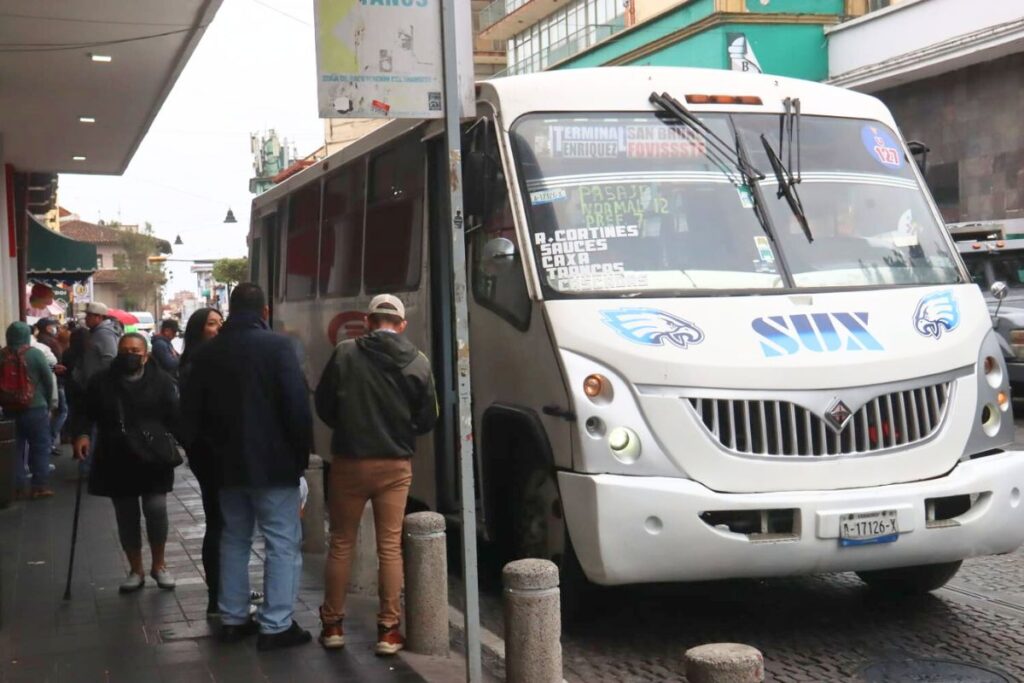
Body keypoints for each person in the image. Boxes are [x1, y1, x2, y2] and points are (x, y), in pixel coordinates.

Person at [181, 284, 313, 650]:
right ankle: (276, 624)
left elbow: (189, 415)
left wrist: (204, 462)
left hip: (225, 468)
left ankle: (234, 617)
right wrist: (300, 458)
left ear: (230, 308)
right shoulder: (279, 348)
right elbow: (297, 409)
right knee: (282, 542)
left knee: (234, 539)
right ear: (264, 311)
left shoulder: (207, 354)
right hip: (274, 465)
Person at [314, 294, 438, 655]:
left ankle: (333, 625)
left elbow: (323, 403)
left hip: (350, 461)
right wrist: (401, 429)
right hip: (394, 465)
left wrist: (348, 426)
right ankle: (387, 630)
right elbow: (428, 417)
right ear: (401, 324)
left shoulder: (345, 352)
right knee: (389, 547)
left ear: (368, 321)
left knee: (340, 544)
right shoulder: (418, 361)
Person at [71, 333, 181, 593]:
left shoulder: (162, 381)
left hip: (154, 457)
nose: (129, 354)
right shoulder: (101, 382)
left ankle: (159, 565)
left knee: (156, 509)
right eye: (124, 349)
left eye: (135, 350)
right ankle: (135, 570)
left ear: (145, 355)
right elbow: (85, 412)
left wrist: (190, 444)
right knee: (126, 514)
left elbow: (175, 417)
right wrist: (83, 435)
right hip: (116, 455)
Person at [178, 308, 225, 616]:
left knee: (222, 522)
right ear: (198, 329)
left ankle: (223, 590)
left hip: (208, 450)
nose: (217, 328)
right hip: (211, 452)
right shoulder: (198, 363)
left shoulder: (208, 359)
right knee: (220, 523)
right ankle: (218, 593)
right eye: (211, 324)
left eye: (221, 323)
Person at [2, 322, 56, 499]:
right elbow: (48, 381)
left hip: (9, 408)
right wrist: (49, 404)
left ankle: (16, 486)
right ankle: (39, 486)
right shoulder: (35, 354)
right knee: (40, 446)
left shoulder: (2, 355)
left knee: (14, 448)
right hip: (36, 407)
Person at [36, 319, 68, 456]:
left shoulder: (42, 340)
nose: (56, 328)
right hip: (55, 381)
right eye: (53, 326)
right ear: (47, 328)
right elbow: (54, 363)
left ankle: (48, 442)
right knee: (62, 411)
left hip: (49, 381)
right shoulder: (48, 343)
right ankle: (49, 441)